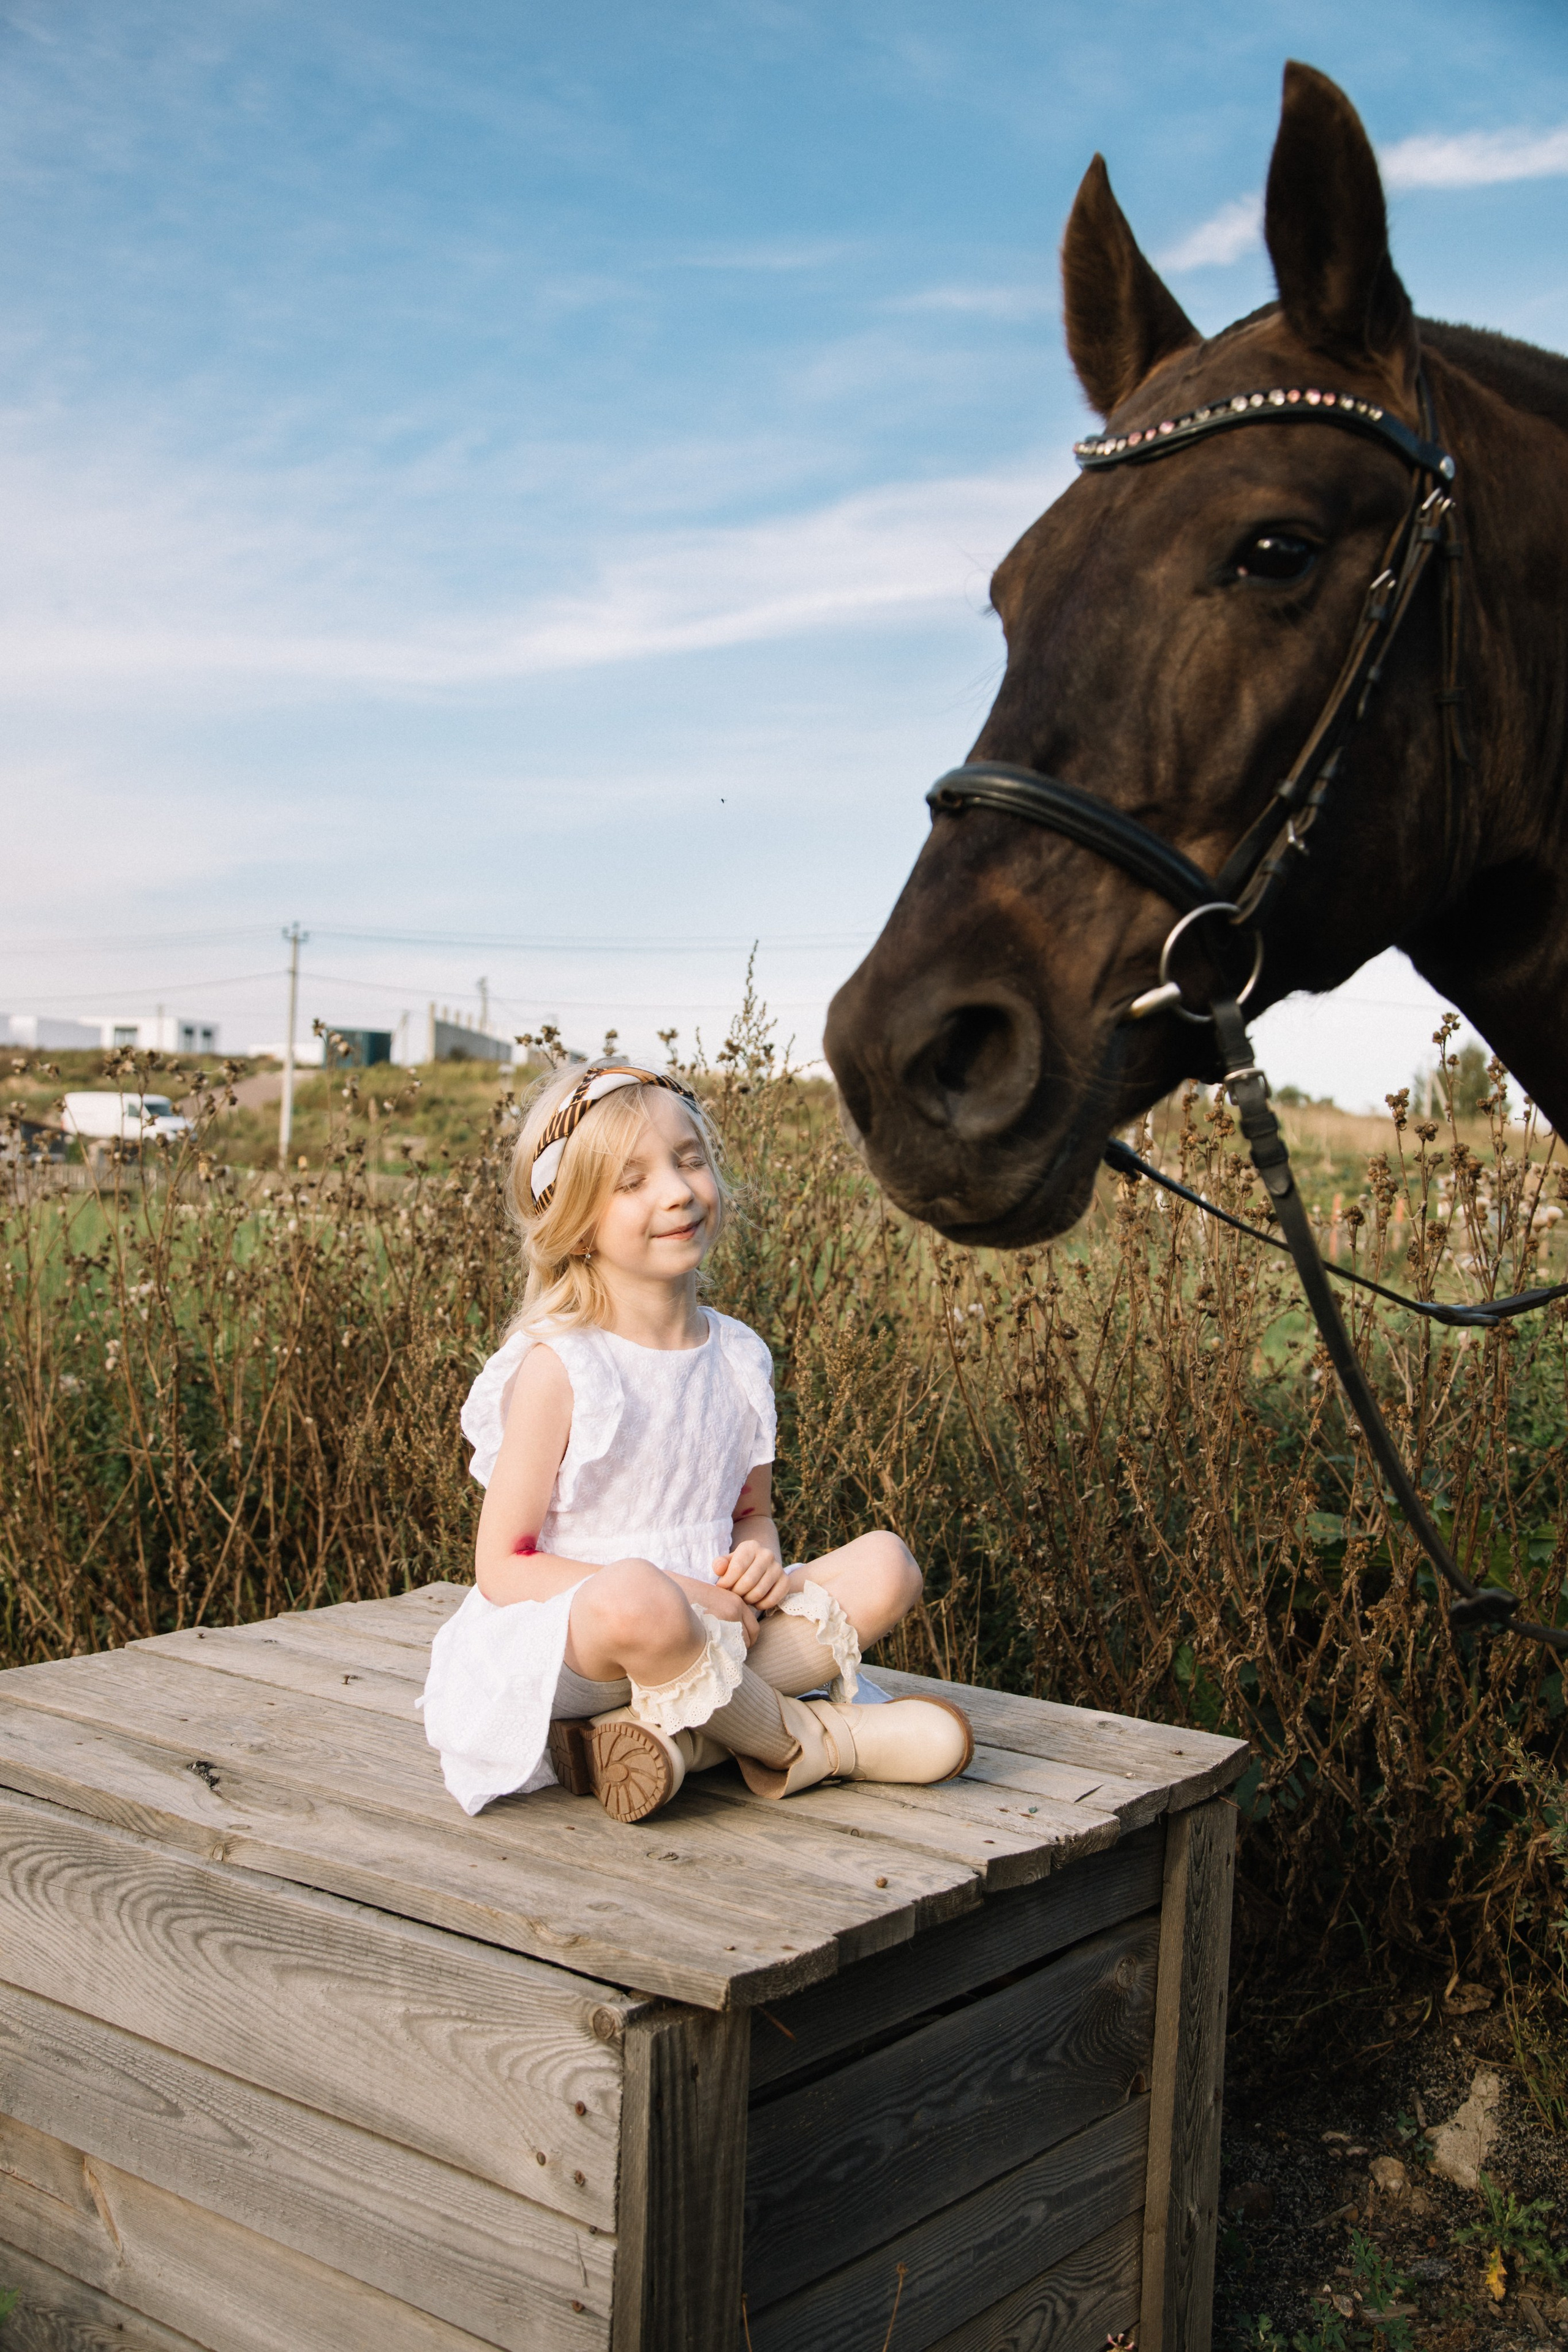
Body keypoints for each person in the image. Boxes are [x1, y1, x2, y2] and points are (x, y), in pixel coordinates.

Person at [420, 1058, 971, 1821]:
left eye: (689, 1160)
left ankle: (675, 1741)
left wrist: (759, 1559)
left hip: (723, 1624)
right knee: (638, 1595)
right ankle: (818, 1741)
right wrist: (682, 1593)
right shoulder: (564, 1365)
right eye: (632, 1180)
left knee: (887, 1566)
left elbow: (751, 1512)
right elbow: (502, 1567)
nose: (677, 1191)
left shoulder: (739, 1357)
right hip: (587, 1639)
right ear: (577, 1223)